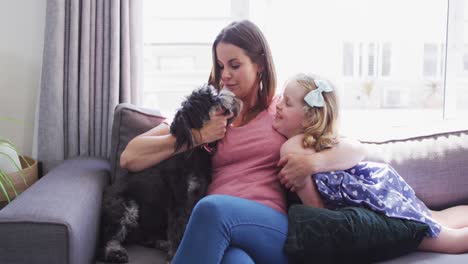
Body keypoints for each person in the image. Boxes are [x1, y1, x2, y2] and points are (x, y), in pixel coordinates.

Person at [120, 20, 365, 263]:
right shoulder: (205, 114)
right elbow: (130, 157)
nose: (225, 75)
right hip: (218, 231)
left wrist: (314, 163)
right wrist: (198, 136)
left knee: (210, 209)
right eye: (220, 65)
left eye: (235, 65)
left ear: (259, 64)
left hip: (268, 227)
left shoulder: (281, 111)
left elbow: (354, 149)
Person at [274, 72, 468, 254]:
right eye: (281, 98)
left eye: (288, 103)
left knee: (450, 241)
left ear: (309, 118)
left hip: (378, 208)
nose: (278, 105)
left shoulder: (292, 149)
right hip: (380, 188)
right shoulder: (320, 141)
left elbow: (316, 208)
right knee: (440, 218)